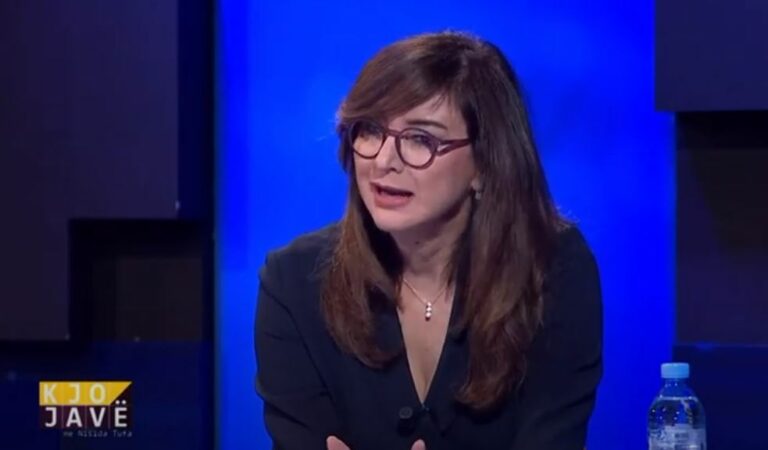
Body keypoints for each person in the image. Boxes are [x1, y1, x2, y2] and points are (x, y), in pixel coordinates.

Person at [254, 30, 602, 450]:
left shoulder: (552, 268)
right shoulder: (294, 282)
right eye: (370, 131)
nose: (384, 161)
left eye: (421, 139)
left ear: (485, 163)